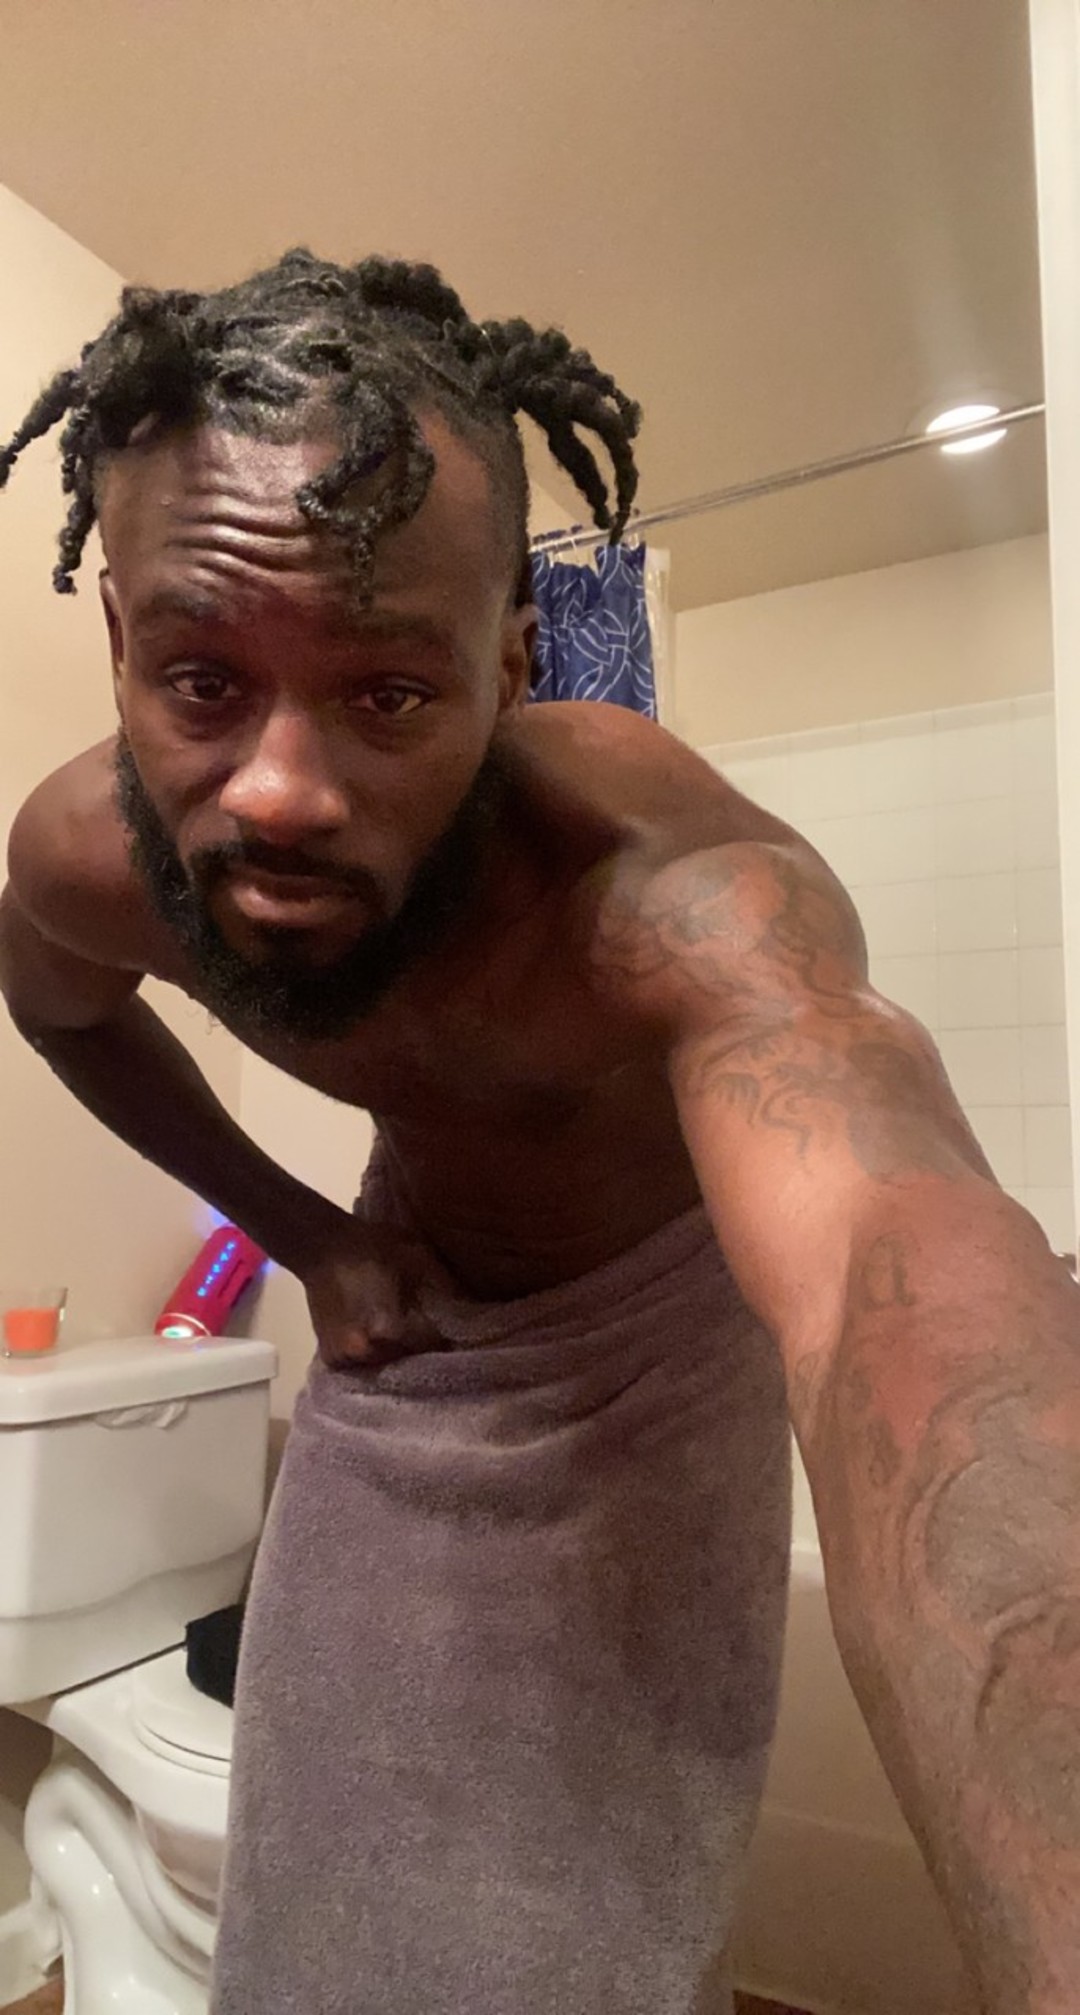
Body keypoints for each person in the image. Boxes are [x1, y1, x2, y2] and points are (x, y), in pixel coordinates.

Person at [0, 249, 1076, 2015]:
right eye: (200, 681)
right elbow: (58, 1007)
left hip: (658, 1361)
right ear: (119, 639)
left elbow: (893, 1261)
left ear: (511, 665)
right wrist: (306, 1233)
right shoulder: (86, 859)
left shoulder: (654, 890)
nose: (281, 790)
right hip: (405, 1330)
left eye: (389, 695)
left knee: (594, 1924)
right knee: (314, 1880)